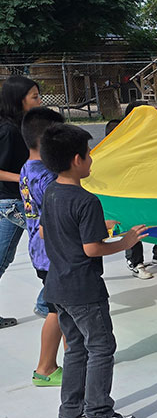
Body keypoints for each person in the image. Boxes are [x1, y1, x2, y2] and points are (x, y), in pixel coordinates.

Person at [41, 123, 147, 418]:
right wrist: (125, 243)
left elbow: (50, 230)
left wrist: (98, 224)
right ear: (77, 160)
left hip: (57, 287)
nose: (91, 160)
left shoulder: (50, 192)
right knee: (101, 346)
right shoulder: (86, 200)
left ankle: (71, 409)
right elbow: (91, 249)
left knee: (76, 347)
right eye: (88, 155)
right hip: (84, 290)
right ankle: (98, 413)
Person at [19, 107, 66, 386]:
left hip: (40, 253)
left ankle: (73, 356)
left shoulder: (28, 168)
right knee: (57, 310)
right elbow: (53, 221)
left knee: (64, 308)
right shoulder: (48, 178)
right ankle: (45, 368)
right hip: (53, 255)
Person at [0, 75, 41, 328]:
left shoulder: (20, 125)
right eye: (34, 97)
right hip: (14, 203)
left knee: (1, 260)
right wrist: (28, 179)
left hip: (14, 201)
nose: (39, 101)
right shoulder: (7, 130)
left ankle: (48, 303)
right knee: (59, 246)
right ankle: (49, 304)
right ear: (19, 100)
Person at [118, 103, 157, 278]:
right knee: (134, 222)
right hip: (132, 190)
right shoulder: (124, 137)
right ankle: (135, 261)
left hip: (155, 186)